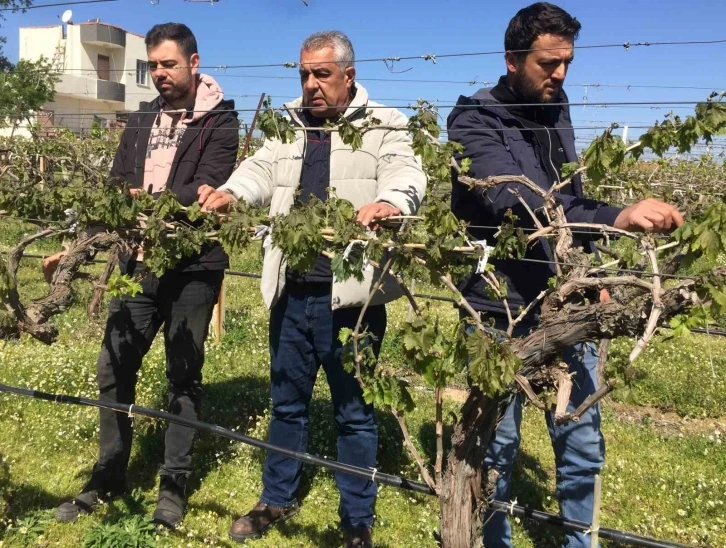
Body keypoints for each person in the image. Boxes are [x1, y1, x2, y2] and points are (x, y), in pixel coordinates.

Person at [447, 4, 684, 547]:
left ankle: (583, 541)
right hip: (498, 309)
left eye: (566, 63)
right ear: (512, 60)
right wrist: (614, 218)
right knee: (498, 444)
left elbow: (569, 201)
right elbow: (519, 205)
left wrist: (590, 267)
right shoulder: (472, 120)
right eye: (548, 64)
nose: (559, 75)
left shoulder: (556, 107)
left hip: (566, 301)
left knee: (581, 441)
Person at [199, 30, 426, 548]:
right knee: (287, 404)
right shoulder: (288, 125)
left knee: (354, 410)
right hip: (292, 291)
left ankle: (356, 520)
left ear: (348, 75)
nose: (310, 84)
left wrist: (391, 203)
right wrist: (231, 193)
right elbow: (259, 171)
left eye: (321, 74)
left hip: (353, 297)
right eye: (303, 73)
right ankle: (276, 499)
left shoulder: (385, 124)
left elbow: (407, 172)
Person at [51, 23, 239, 529]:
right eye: (153, 65)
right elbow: (115, 190)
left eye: (169, 64)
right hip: (137, 266)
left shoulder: (221, 121)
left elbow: (208, 188)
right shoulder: (138, 121)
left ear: (194, 64)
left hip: (193, 268)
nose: (159, 73)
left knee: (183, 375)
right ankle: (107, 477)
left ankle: (172, 486)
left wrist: (149, 201)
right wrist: (76, 248)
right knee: (113, 368)